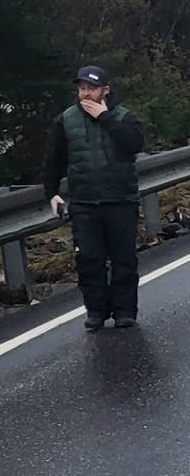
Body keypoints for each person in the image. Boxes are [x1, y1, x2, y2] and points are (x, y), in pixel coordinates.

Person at [41, 65, 146, 332]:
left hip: (120, 198)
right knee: (89, 259)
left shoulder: (124, 117)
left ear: (105, 91)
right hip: (84, 201)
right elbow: (53, 160)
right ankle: (96, 311)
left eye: (91, 88)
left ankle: (124, 311)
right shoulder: (65, 120)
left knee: (123, 259)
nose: (85, 93)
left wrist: (105, 117)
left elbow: (133, 145)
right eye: (82, 88)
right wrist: (51, 192)